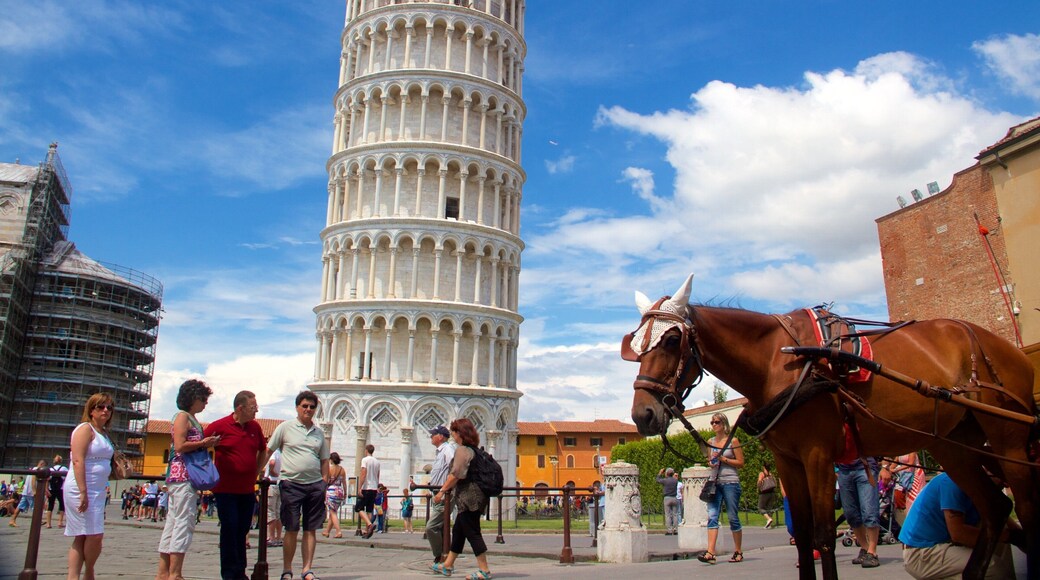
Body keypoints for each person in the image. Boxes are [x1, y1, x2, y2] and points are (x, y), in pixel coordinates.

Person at [156, 379, 221, 580]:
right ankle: (175, 573)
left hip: (179, 476)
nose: (205, 404)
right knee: (184, 523)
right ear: (193, 399)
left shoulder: (188, 417)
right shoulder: (183, 417)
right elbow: (180, 445)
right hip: (184, 475)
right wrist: (205, 443)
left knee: (173, 522)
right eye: (203, 399)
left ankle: (163, 573)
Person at [899, 471, 1020, 579]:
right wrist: (1008, 537)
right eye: (1003, 480)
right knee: (994, 569)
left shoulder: (982, 488)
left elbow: (1013, 530)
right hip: (922, 553)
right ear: (988, 470)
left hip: (945, 543)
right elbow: (959, 534)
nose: (1006, 485)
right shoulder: (953, 482)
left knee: (1001, 527)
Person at [263, 391, 330, 580]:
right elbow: (269, 450)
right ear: (297, 407)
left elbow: (324, 459)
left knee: (311, 529)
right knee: (291, 528)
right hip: (291, 484)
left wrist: (323, 481)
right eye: (305, 406)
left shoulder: (318, 433)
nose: (308, 409)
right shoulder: (285, 428)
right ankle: (287, 569)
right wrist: (258, 472)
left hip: (314, 485)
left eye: (312, 407)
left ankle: (307, 569)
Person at [205, 390, 267, 580]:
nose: (256, 410)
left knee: (242, 530)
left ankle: (240, 571)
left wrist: (255, 471)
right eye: (253, 407)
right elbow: (200, 444)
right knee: (230, 529)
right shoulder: (220, 426)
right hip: (225, 490)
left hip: (246, 489)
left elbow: (263, 451)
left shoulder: (254, 428)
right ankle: (230, 574)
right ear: (240, 408)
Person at [430, 418, 492, 579]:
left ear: (460, 434)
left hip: (469, 499)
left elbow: (456, 474)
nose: (452, 435)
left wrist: (441, 491)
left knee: (473, 533)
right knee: (458, 531)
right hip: (475, 498)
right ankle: (448, 565)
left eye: (453, 433)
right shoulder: (475, 450)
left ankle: (484, 570)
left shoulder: (463, 450)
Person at [64, 392, 117, 580]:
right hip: (81, 487)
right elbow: (78, 460)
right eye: (100, 407)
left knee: (83, 535)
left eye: (109, 408)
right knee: (94, 535)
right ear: (91, 410)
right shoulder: (85, 429)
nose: (105, 410)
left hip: (98, 488)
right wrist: (83, 491)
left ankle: (76, 576)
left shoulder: (104, 433)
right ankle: (89, 572)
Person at [698, 412, 745, 564]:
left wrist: (724, 459)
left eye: (716, 422)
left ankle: (738, 551)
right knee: (712, 516)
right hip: (714, 482)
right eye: (712, 422)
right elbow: (711, 462)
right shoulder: (710, 442)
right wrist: (711, 462)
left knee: (732, 517)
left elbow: (741, 463)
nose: (714, 425)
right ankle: (710, 552)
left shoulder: (733, 441)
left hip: (730, 482)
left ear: (724, 424)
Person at [835, 423, 881, 569]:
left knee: (869, 510)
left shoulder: (860, 417)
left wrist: (884, 466)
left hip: (864, 466)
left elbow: (881, 440)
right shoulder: (833, 419)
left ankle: (872, 552)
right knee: (850, 513)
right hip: (843, 469)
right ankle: (865, 547)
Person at [425, 425, 455, 563]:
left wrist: (443, 490)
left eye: (433, 434)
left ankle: (439, 555)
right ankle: (445, 556)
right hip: (439, 492)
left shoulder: (447, 450)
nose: (431, 436)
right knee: (441, 526)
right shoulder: (440, 451)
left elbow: (455, 469)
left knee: (431, 527)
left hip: (444, 494)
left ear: (441, 437)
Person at [357, 444, 381, 538]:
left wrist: (360, 487)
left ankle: (370, 525)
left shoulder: (365, 460)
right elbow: (378, 475)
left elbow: (363, 473)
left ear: (366, 450)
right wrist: (377, 486)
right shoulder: (377, 462)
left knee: (359, 508)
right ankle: (367, 531)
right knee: (369, 510)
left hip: (367, 487)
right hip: (374, 488)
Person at [321, 452, 346, 539]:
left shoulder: (329, 469)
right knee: (333, 512)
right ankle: (327, 531)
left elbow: (326, 482)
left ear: (331, 459)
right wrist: (345, 493)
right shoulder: (342, 470)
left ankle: (338, 531)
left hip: (331, 491)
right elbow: (344, 483)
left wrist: (323, 493)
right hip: (339, 491)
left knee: (332, 512)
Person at [265, 449, 284, 547]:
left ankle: (271, 537)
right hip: (280, 484)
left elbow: (272, 462)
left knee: (270, 511)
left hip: (272, 483)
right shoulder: (283, 453)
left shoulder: (274, 452)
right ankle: (278, 537)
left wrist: (272, 472)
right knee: (278, 511)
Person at [46, 454, 68, 529]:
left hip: (51, 489)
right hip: (60, 489)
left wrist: (46, 490)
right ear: (61, 461)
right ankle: (60, 522)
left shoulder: (50, 469)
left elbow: (47, 480)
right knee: (62, 505)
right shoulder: (64, 468)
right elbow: (66, 478)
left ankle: (48, 523)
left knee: (50, 506)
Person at [656, 467, 680, 535]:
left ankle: (669, 530)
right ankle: (675, 529)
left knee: (668, 515)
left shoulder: (665, 480)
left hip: (667, 497)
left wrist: (660, 473)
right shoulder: (675, 481)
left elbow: (657, 480)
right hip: (674, 497)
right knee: (675, 514)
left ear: (667, 474)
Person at [757, 462, 778, 529]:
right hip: (772, 492)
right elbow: (775, 483)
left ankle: (768, 519)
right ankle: (769, 524)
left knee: (760, 508)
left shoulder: (762, 474)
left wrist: (759, 486)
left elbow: (759, 481)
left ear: (764, 467)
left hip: (764, 493)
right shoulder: (771, 474)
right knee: (769, 508)